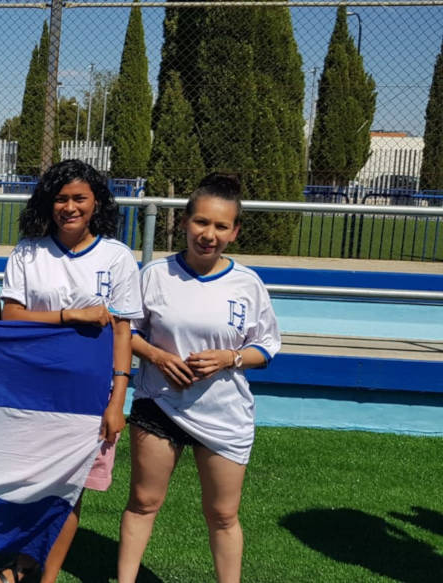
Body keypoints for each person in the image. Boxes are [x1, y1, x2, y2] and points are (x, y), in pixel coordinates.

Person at [117, 174, 280, 583]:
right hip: (160, 403)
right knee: (143, 501)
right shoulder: (155, 274)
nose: (209, 234)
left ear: (235, 232)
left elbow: (266, 348)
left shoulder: (248, 284)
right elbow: (126, 332)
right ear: (185, 222)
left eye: (221, 226)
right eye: (201, 222)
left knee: (223, 514)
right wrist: (156, 355)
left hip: (224, 414)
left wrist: (230, 357)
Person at [0, 159, 141, 583]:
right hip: (32, 388)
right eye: (61, 198)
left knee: (71, 489)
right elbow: (12, 316)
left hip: (89, 396)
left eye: (79, 198)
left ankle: (47, 575)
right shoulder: (28, 251)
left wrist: (118, 402)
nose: (70, 207)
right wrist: (69, 315)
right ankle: (21, 562)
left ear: (97, 203)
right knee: (27, 482)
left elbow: (123, 334)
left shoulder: (117, 257)